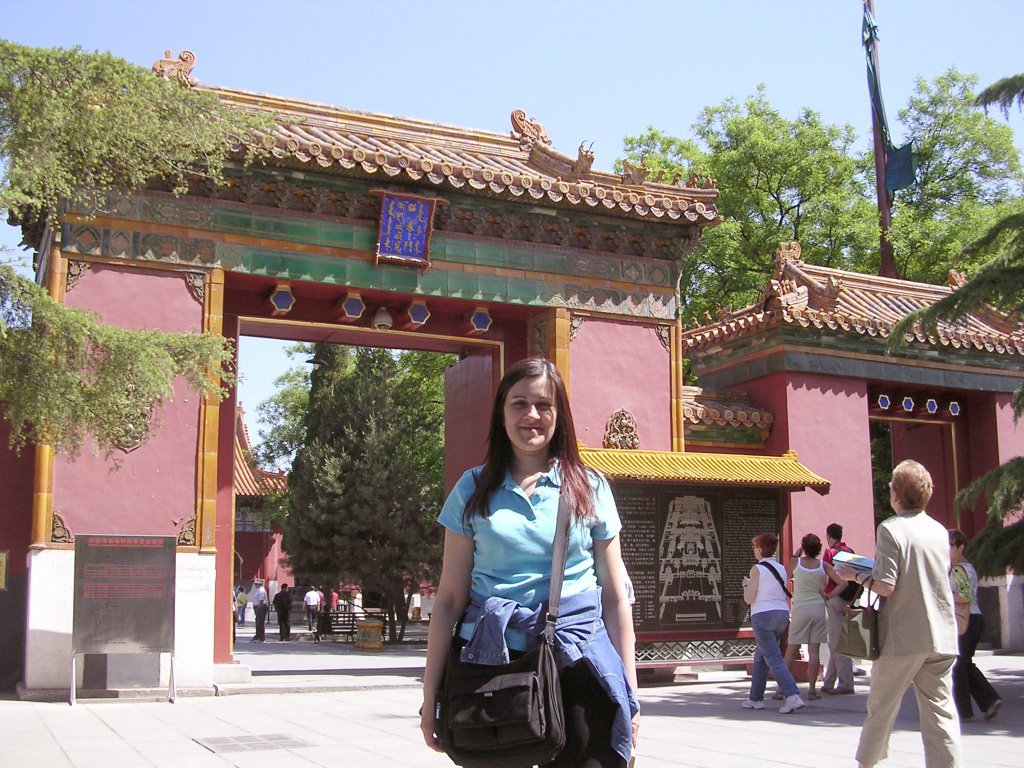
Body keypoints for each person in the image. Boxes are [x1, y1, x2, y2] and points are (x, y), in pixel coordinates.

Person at [419, 357, 640, 767]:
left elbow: (613, 595)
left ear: (560, 416)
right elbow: (449, 599)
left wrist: (629, 690)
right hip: (491, 665)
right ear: (501, 414)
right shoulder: (471, 489)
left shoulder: (590, 487)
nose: (531, 415)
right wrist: (431, 691)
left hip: (579, 661)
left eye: (544, 405)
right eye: (519, 404)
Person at [835, 460, 962, 768]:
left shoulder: (891, 529)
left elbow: (886, 585)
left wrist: (857, 576)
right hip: (942, 634)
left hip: (903, 637)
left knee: (881, 708)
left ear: (896, 494)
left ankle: (867, 763)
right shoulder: (938, 531)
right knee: (941, 711)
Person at [742, 532, 805, 714]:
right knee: (761, 657)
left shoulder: (757, 569)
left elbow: (750, 598)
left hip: (762, 614)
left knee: (773, 657)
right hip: (781, 614)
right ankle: (755, 698)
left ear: (761, 549)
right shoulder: (781, 568)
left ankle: (792, 695)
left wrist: (746, 586)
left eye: (754, 547)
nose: (754, 550)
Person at [783, 533, 846, 700]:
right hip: (819, 608)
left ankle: (783, 688)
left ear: (804, 547)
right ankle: (812, 689)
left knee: (791, 649)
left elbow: (784, 574)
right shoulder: (823, 566)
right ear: (818, 549)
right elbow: (843, 583)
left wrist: (796, 554)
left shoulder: (797, 563)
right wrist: (829, 596)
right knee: (814, 650)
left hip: (801, 609)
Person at [949, 529, 1001, 722]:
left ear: (961, 548)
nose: (947, 549)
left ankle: (964, 712)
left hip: (967, 620)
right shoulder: (961, 568)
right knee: (964, 663)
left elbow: (964, 597)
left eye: (951, 545)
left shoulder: (959, 569)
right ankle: (989, 701)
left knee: (958, 666)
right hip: (971, 619)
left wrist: (943, 595)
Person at [822, 522, 857, 694]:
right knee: (836, 640)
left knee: (837, 642)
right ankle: (828, 682)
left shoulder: (830, 553)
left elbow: (826, 576)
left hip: (835, 597)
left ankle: (845, 683)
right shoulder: (849, 551)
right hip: (848, 599)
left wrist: (827, 595)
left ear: (828, 536)